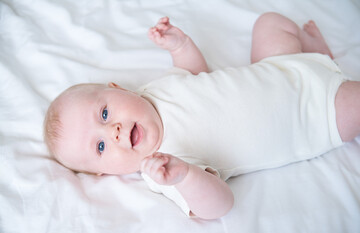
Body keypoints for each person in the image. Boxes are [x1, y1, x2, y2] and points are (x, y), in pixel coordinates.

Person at [44, 12, 360, 220]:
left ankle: (319, 57)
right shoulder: (165, 168)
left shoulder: (156, 88)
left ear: (118, 88)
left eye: (104, 112)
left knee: (269, 23)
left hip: (278, 67)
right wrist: (185, 176)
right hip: (312, 116)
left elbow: (195, 73)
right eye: (100, 148)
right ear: (107, 173)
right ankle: (326, 64)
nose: (112, 131)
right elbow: (219, 205)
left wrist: (180, 46)